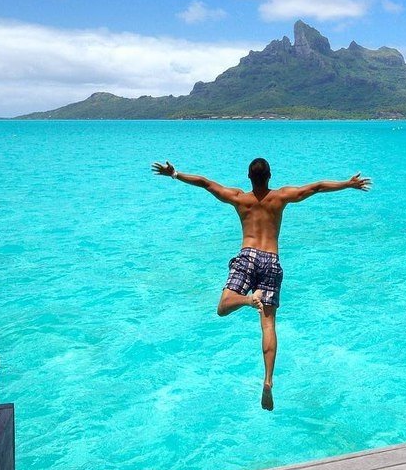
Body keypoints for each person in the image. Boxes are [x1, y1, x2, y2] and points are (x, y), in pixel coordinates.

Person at [151, 157, 371, 410]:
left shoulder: (239, 198)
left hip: (248, 255)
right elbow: (317, 186)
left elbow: (205, 183)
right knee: (268, 325)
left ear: (248, 177)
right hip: (271, 260)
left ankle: (246, 299)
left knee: (222, 308)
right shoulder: (280, 197)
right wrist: (348, 183)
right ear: (270, 176)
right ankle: (267, 380)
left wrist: (175, 174)